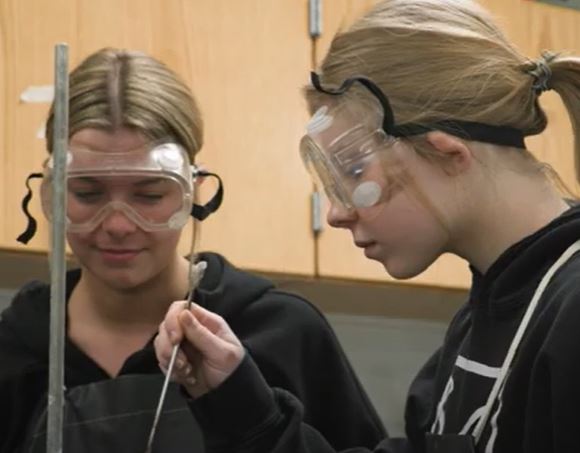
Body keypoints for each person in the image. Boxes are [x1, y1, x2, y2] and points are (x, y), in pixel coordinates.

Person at [155, 0, 580, 452]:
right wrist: (238, 400)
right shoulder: (483, 319)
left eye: (354, 174)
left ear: (450, 154)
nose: (336, 212)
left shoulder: (569, 313)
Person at [0, 47, 386, 453]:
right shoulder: (14, 351)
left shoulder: (280, 333)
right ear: (54, 193)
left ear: (193, 193)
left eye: (149, 195)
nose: (117, 224)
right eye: (87, 192)